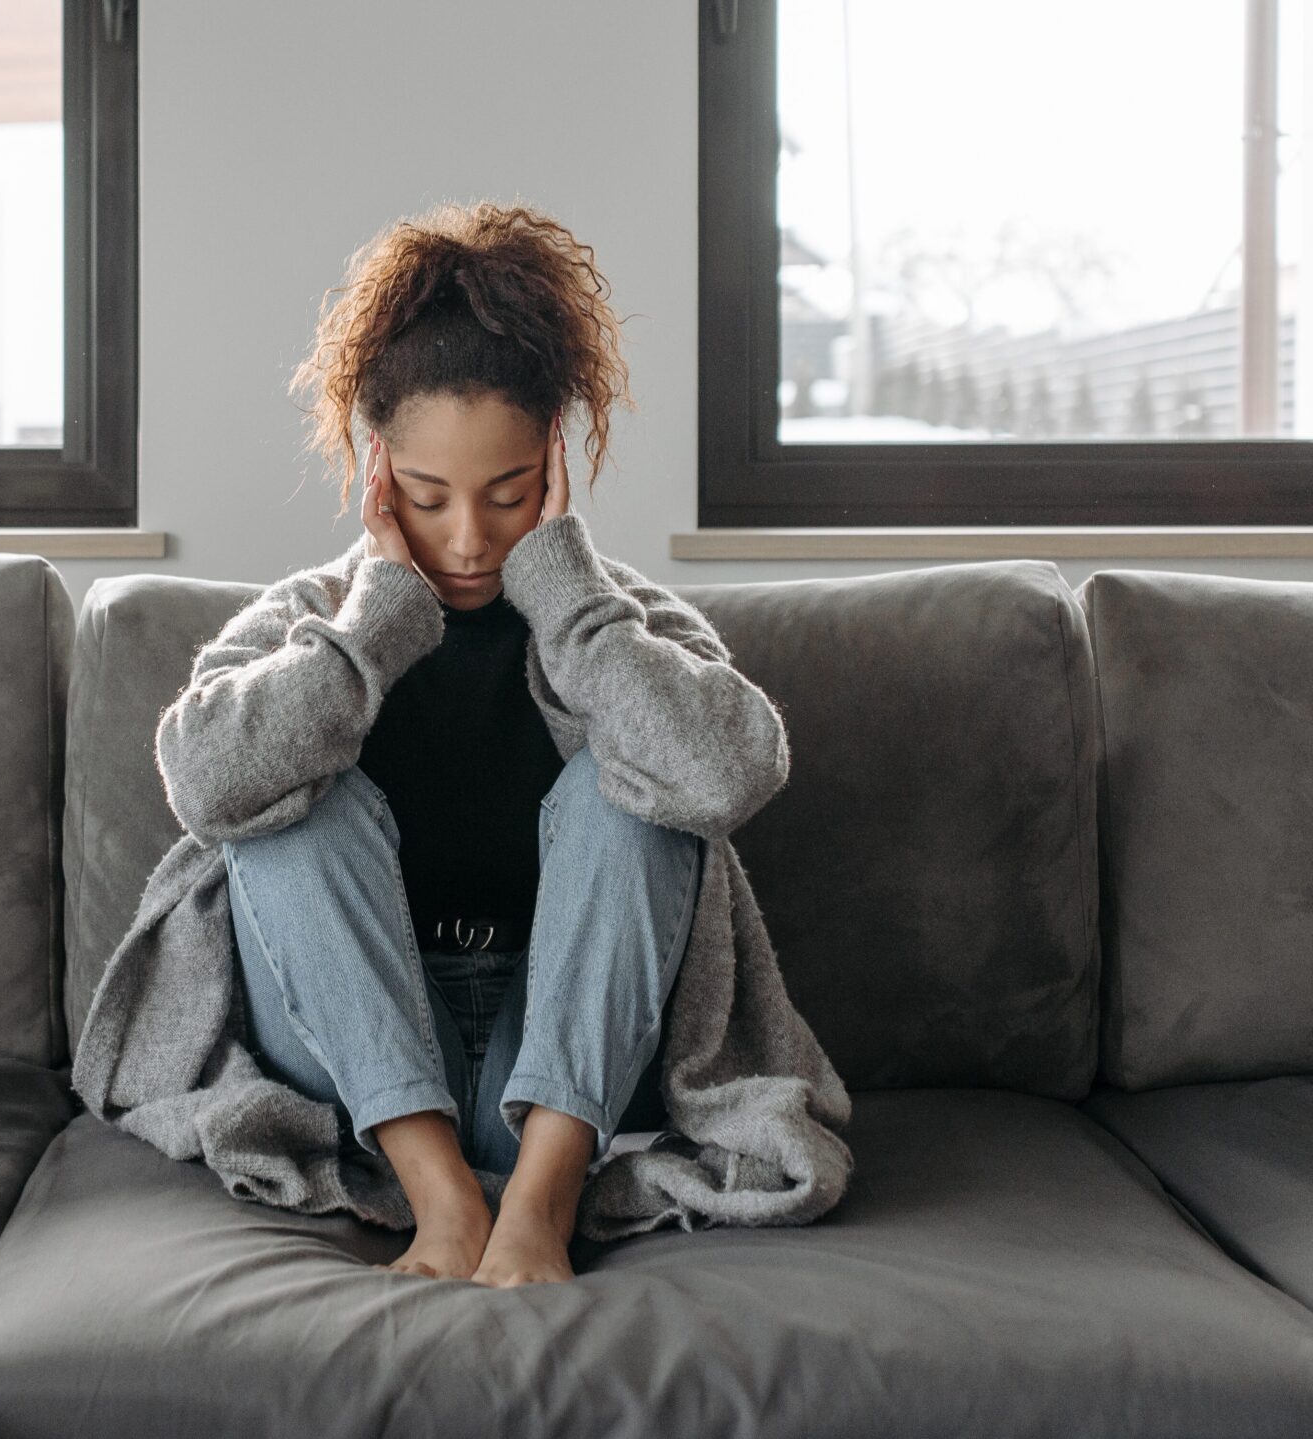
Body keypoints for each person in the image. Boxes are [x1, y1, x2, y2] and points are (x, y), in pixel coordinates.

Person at [73, 200, 852, 1291]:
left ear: (557, 470)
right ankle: (441, 1198)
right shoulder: (316, 616)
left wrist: (572, 602)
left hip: (575, 1062)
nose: (470, 537)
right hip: (360, 1062)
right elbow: (204, 781)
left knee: (630, 788)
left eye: (510, 493)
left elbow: (730, 770)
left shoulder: (615, 623)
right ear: (374, 467)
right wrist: (369, 633)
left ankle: (535, 1203)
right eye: (430, 498)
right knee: (290, 805)